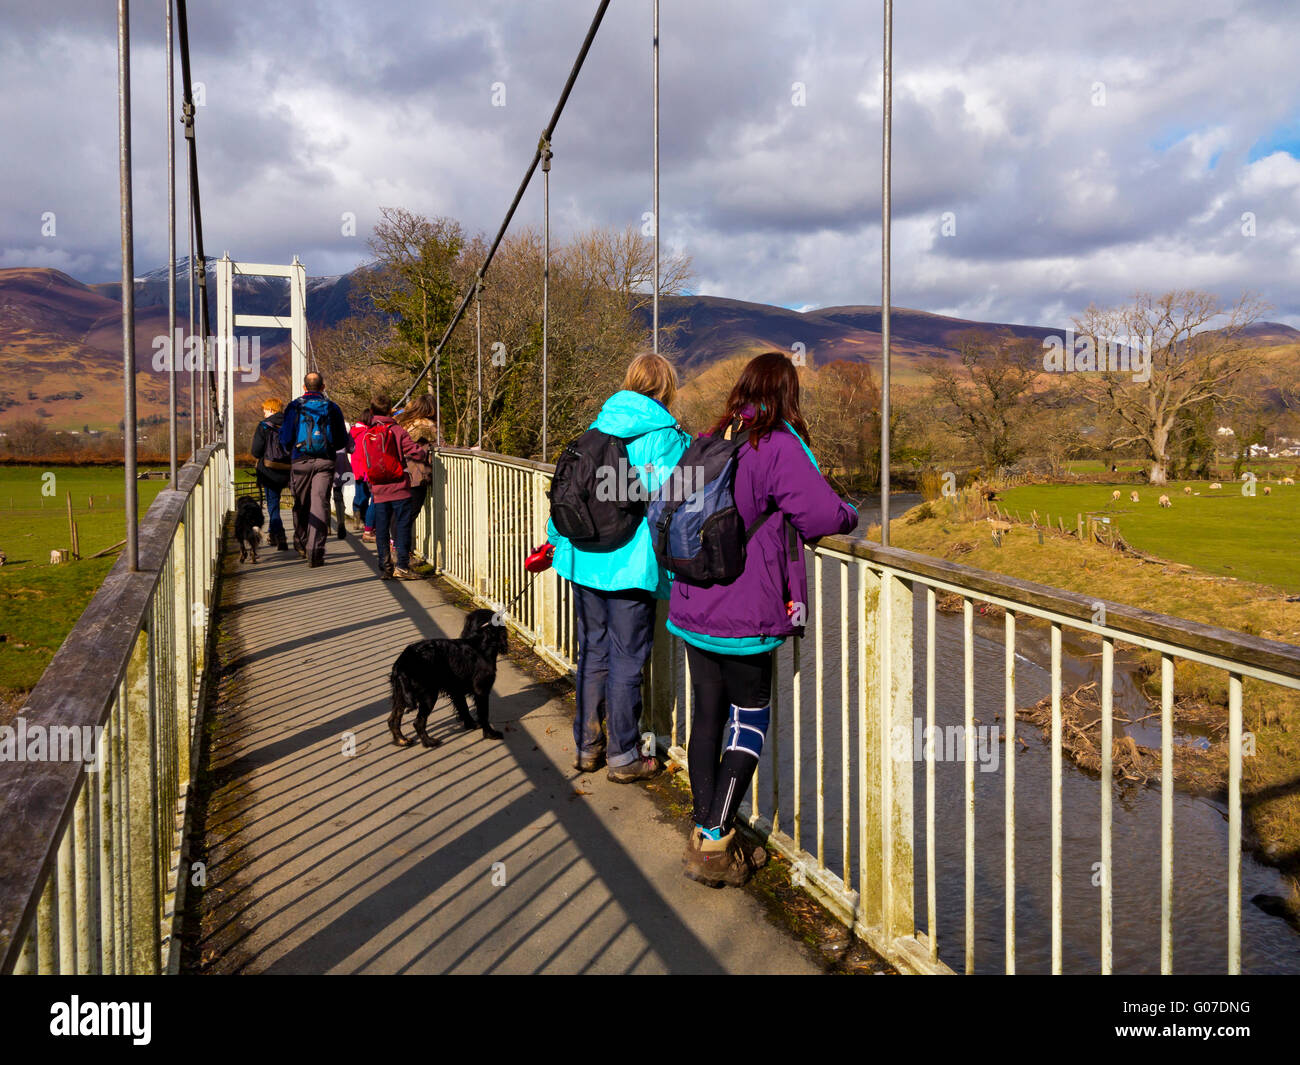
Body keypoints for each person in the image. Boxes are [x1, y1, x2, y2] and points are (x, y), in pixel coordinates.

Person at [666, 352, 858, 886]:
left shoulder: (711, 438)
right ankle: (714, 839)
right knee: (748, 719)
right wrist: (850, 515)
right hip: (744, 615)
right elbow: (820, 515)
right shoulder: (776, 444)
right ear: (786, 395)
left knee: (707, 716)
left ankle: (705, 828)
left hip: (693, 603)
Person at [545, 352, 690, 782]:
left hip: (584, 558)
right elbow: (677, 499)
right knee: (628, 658)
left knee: (594, 651)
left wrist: (554, 542)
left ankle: (587, 746)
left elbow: (572, 491)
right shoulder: (664, 436)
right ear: (665, 389)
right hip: (630, 565)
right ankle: (623, 756)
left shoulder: (596, 428)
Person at [279, 372, 348, 567]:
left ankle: (301, 542)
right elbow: (342, 439)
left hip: (300, 460)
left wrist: (292, 451)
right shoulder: (332, 407)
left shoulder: (294, 406)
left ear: (304, 387)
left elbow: (285, 437)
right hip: (325, 461)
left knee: (301, 503)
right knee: (320, 503)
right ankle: (315, 550)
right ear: (323, 387)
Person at [359, 393, 428, 580]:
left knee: (381, 529)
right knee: (403, 526)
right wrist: (423, 452)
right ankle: (402, 567)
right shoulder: (397, 430)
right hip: (400, 488)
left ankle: (385, 567)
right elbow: (415, 453)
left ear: (372, 411)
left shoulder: (368, 432)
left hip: (379, 489)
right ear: (391, 410)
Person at [396, 394, 439, 551]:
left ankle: (396, 549)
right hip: (417, 475)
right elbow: (442, 446)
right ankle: (403, 555)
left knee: (399, 514)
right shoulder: (427, 426)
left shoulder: (402, 423)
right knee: (410, 514)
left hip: (398, 472)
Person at [250, 397, 290, 551]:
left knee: (273, 505)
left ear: (272, 409)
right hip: (289, 470)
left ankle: (280, 536)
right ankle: (273, 535)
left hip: (269, 471)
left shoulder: (263, 426)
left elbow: (256, 451)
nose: (264, 412)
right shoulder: (291, 423)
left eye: (265, 409)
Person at [349, 413, 377, 542]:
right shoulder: (366, 433)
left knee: (360, 494)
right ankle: (367, 522)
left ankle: (357, 518)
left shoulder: (354, 431)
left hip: (356, 466)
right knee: (368, 496)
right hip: (365, 468)